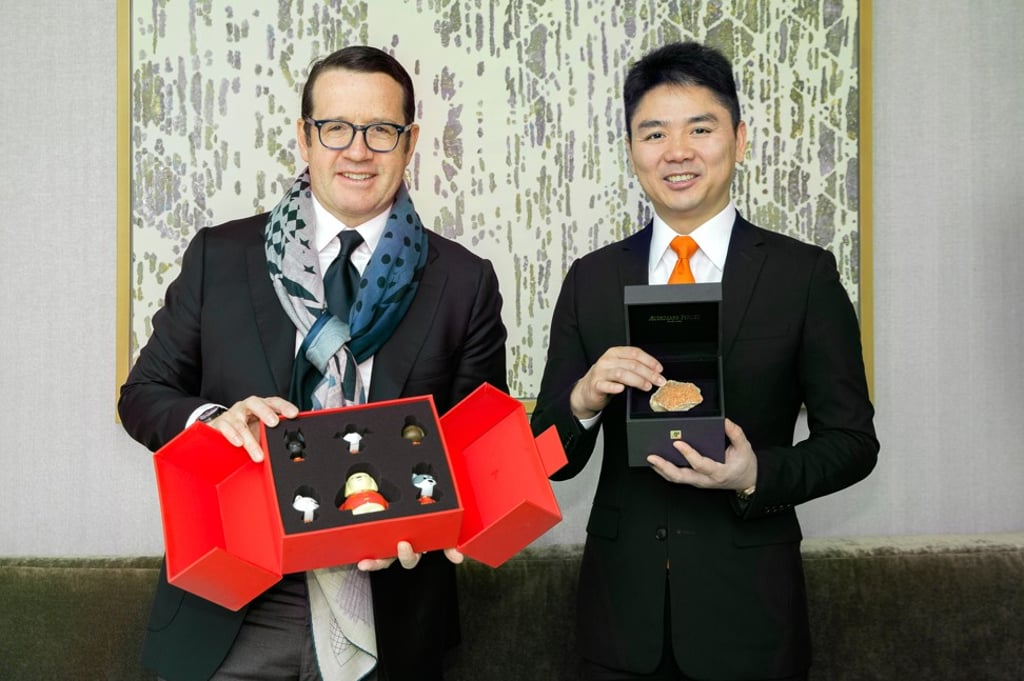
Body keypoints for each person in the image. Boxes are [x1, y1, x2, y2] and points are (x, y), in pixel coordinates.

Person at [119, 45, 508, 681]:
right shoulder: (221, 257)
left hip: (390, 609)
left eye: (381, 130)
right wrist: (215, 419)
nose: (358, 151)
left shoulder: (463, 283)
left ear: (409, 144)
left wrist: (428, 521)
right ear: (305, 138)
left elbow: (474, 454)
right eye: (335, 129)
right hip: (234, 603)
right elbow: (143, 393)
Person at [531, 41, 878, 681]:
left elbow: (854, 443)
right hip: (620, 619)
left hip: (749, 614)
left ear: (739, 140)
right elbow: (546, 457)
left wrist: (754, 475)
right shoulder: (591, 279)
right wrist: (582, 401)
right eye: (654, 132)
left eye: (701, 128)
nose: (677, 151)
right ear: (633, 151)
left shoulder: (802, 276)